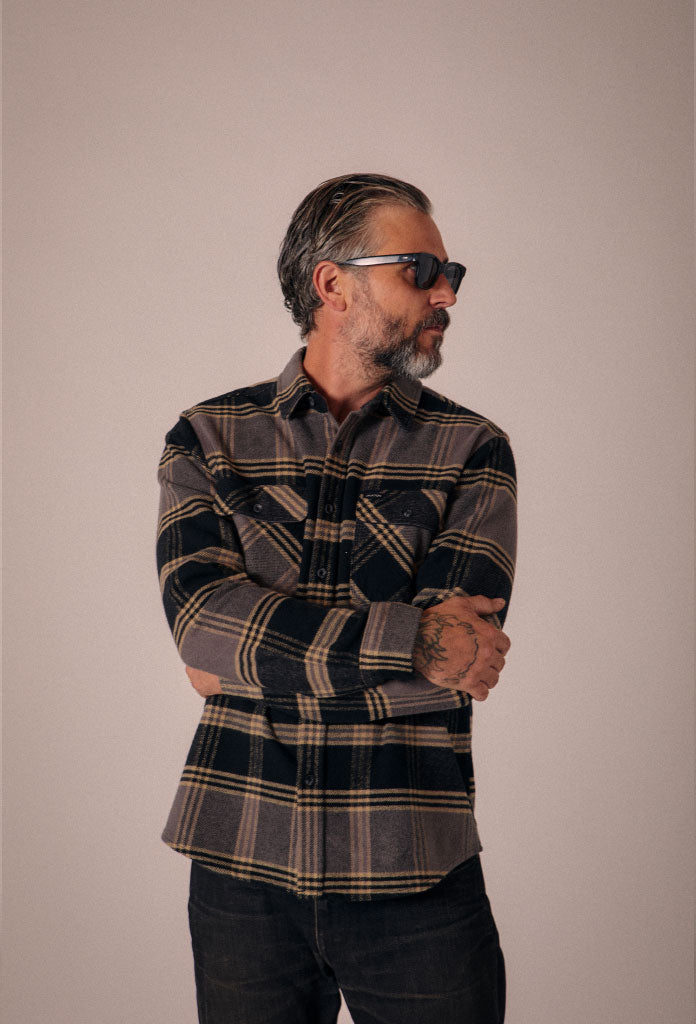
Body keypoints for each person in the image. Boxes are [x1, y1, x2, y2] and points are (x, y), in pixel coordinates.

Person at [156, 173, 516, 1024]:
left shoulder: (473, 449)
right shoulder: (208, 436)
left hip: (415, 869)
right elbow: (204, 630)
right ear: (332, 283)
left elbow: (459, 661)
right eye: (422, 270)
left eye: (451, 272)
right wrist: (409, 640)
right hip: (240, 865)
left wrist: (252, 662)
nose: (447, 293)